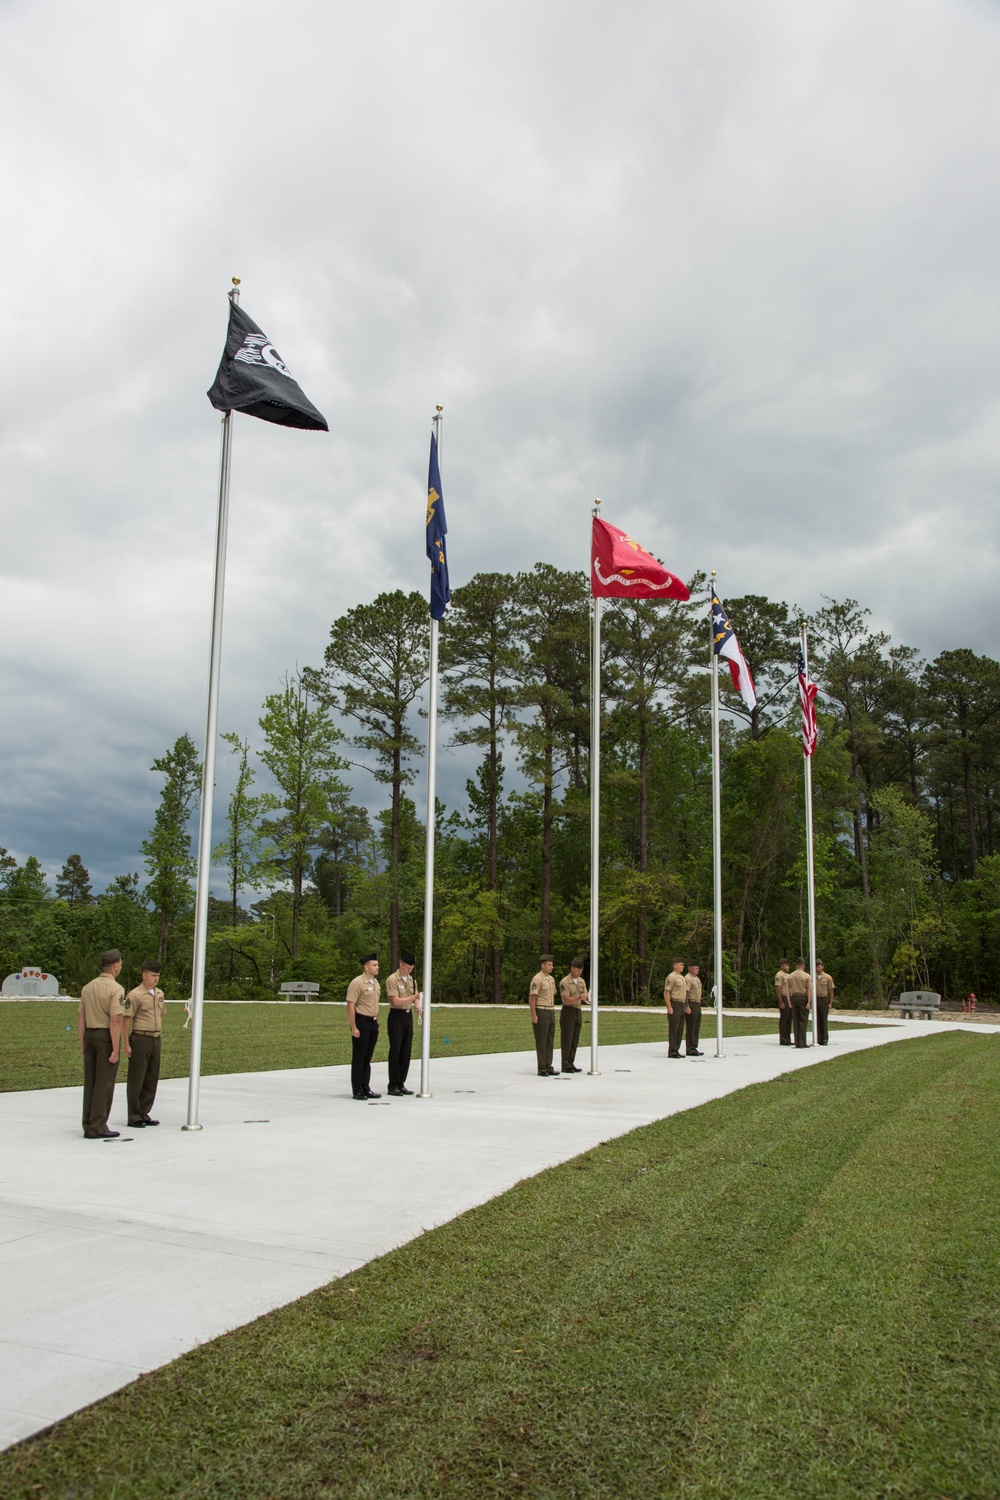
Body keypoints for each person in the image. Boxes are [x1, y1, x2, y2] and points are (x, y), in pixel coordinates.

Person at [78, 948, 129, 1139]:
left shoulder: (88, 987)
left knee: (90, 1081)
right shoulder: (116, 989)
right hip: (105, 1037)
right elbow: (115, 1021)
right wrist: (116, 1049)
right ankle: (99, 1126)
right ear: (116, 965)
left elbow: (81, 1017)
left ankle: (88, 1123)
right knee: (104, 1083)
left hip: (90, 1034)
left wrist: (82, 1042)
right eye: (120, 964)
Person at [125, 959, 165, 1126]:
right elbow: (126, 1019)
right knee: (137, 1077)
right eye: (153, 975)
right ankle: (134, 1115)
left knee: (151, 1076)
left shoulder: (159, 994)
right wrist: (126, 1043)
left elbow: (162, 1014)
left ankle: (144, 1111)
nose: (156, 978)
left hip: (155, 1038)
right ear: (144, 975)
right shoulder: (134, 995)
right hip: (141, 1038)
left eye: (158, 975)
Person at [386, 949, 421, 1096]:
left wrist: (417, 1004)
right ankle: (393, 1084)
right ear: (401, 965)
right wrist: (414, 998)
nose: (409, 970)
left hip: (408, 1015)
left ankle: (401, 1082)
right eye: (407, 967)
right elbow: (395, 1000)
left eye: (411, 968)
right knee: (396, 1050)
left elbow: (416, 997)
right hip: (396, 1016)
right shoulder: (392, 979)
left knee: (406, 1050)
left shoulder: (412, 980)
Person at [346, 953, 381, 1100]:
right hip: (361, 1022)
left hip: (372, 1023)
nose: (377, 967)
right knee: (359, 1057)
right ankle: (357, 1089)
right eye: (374, 965)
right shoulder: (357, 983)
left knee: (367, 1057)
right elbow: (350, 1005)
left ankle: (366, 1087)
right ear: (366, 967)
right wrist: (354, 1027)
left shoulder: (375, 983)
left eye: (377, 965)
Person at [529, 955, 558, 1075]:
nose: (552, 967)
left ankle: (548, 1066)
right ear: (543, 965)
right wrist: (534, 1015)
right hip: (541, 1010)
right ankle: (542, 1068)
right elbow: (532, 998)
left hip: (550, 1011)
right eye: (549, 965)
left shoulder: (551, 979)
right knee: (542, 1040)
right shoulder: (537, 979)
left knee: (549, 1040)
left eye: (552, 964)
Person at [558, 959, 588, 1073]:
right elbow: (566, 999)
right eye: (577, 970)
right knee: (567, 1039)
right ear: (572, 968)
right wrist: (578, 998)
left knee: (575, 1038)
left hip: (578, 1010)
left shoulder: (581, 981)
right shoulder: (565, 982)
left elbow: (585, 996)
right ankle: (565, 1064)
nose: (579, 972)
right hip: (568, 1011)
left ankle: (571, 1062)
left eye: (581, 970)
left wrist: (586, 997)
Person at [664, 959, 688, 1058]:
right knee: (674, 1029)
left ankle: (676, 1049)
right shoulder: (671, 977)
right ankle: (672, 1051)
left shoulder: (681, 977)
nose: (683, 966)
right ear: (675, 966)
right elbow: (666, 992)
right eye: (681, 964)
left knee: (680, 1029)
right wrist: (669, 1006)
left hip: (682, 1004)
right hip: (675, 1003)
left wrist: (686, 1005)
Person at [787, 958, 812, 1048]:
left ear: (796, 965)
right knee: (803, 1020)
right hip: (803, 998)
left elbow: (787, 989)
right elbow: (809, 989)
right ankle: (802, 1042)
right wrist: (809, 1002)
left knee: (795, 1020)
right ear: (803, 965)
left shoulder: (790, 976)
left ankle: (797, 1042)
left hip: (794, 997)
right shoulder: (807, 976)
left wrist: (789, 1001)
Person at [685, 962, 704, 1056]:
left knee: (696, 1027)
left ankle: (694, 1047)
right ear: (690, 968)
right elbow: (685, 993)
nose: (698, 969)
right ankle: (690, 1048)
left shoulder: (696, 979)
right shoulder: (688, 978)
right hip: (691, 1003)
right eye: (696, 967)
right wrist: (687, 1006)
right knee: (691, 1027)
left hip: (697, 1003)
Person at [814, 960, 835, 1047]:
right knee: (817, 1020)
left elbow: (831, 990)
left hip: (824, 998)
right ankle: (818, 1038)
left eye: (819, 966)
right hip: (816, 998)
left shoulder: (827, 977)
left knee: (823, 1019)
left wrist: (830, 1002)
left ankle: (824, 1039)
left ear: (822, 966)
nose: (817, 968)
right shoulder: (812, 977)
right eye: (816, 966)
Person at [774, 960, 792, 1045]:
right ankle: (783, 1039)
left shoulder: (787, 975)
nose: (788, 967)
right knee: (784, 1019)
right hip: (784, 997)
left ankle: (788, 1038)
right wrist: (781, 1001)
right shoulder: (779, 975)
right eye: (786, 965)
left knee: (789, 1018)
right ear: (781, 966)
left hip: (789, 997)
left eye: (788, 965)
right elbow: (778, 988)